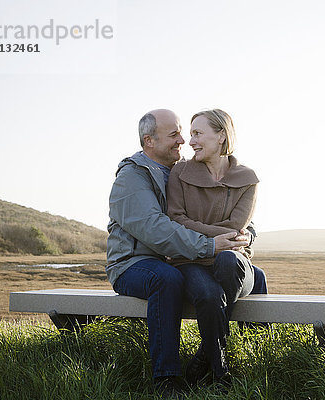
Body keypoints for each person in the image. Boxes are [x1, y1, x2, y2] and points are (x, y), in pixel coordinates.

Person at [105, 109, 267, 397]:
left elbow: (234, 215)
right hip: (136, 263)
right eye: (174, 135)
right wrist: (210, 246)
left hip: (176, 259)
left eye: (185, 132)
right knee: (167, 279)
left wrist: (247, 235)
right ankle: (167, 377)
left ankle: (226, 358)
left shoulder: (180, 169)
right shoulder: (132, 177)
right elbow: (156, 228)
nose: (182, 140)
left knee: (252, 275)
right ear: (149, 141)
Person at [165, 109, 258, 385]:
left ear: (221, 136)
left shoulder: (248, 179)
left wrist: (228, 237)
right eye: (191, 133)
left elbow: (238, 226)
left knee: (228, 261)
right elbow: (176, 219)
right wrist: (216, 239)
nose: (189, 141)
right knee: (207, 294)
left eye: (197, 133)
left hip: (235, 265)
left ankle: (205, 357)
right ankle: (220, 371)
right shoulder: (180, 172)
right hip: (190, 261)